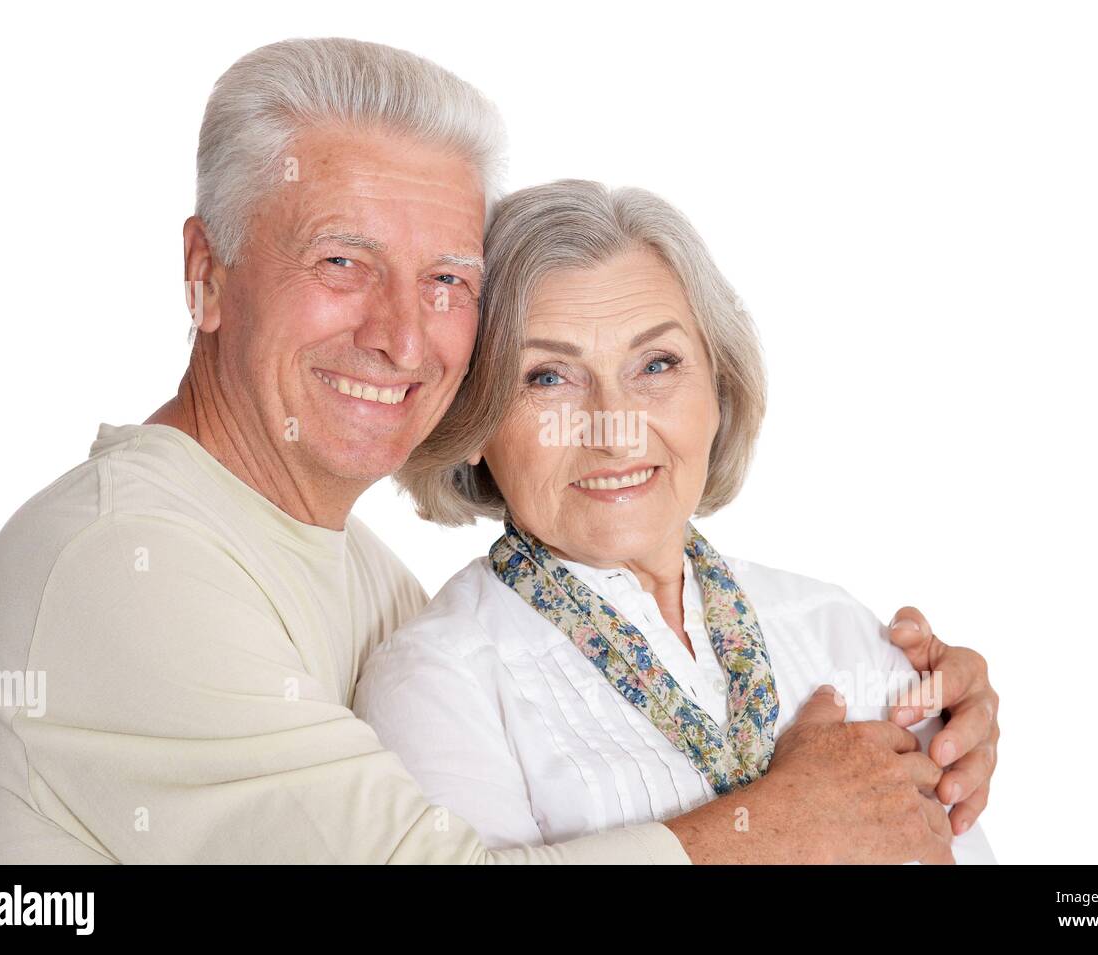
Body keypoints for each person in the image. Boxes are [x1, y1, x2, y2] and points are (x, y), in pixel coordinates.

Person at [0, 38, 997, 864]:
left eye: (447, 278)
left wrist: (932, 726)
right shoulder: (120, 561)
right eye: (340, 259)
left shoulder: (366, 580)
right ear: (207, 273)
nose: (403, 336)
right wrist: (788, 822)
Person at [355, 179, 997, 862]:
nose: (615, 431)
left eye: (656, 364)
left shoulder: (837, 625)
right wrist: (786, 821)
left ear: (718, 392)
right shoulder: (437, 682)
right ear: (474, 420)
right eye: (548, 376)